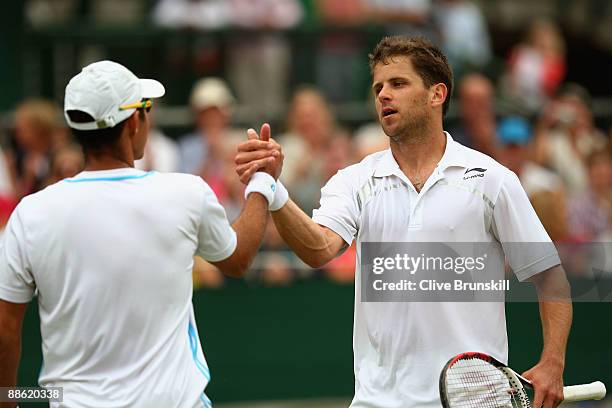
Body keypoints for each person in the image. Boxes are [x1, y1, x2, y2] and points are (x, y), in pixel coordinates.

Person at [235, 37, 572, 407]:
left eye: (398, 84)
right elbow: (319, 249)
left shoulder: (492, 179)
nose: (383, 95)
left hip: (473, 401)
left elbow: (549, 275)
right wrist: (273, 188)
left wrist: (553, 363)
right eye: (378, 87)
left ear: (436, 94)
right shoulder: (354, 181)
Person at [0, 60, 282, 407]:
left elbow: (5, 329)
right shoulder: (185, 194)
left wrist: (8, 401)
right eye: (145, 108)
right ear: (134, 121)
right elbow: (238, 259)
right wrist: (262, 181)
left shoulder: (30, 213)